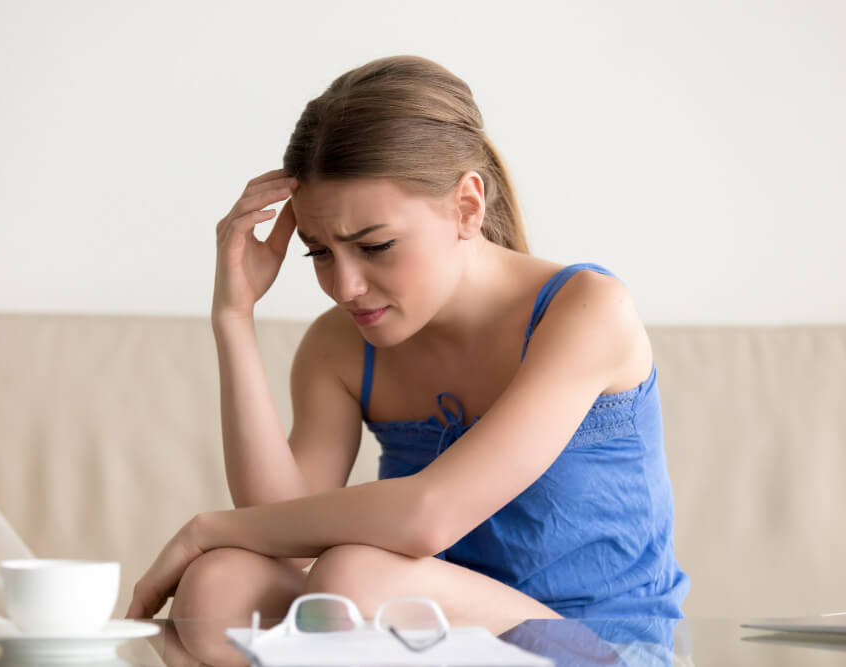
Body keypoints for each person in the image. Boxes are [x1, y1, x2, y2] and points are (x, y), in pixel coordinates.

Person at [126, 54, 690, 664]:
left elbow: (430, 517)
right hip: (425, 643)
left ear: (466, 207)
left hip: (602, 653)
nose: (345, 287)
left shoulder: (587, 310)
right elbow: (281, 532)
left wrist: (207, 528)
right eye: (319, 253)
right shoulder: (342, 345)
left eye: (375, 246)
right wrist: (233, 317)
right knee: (218, 590)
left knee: (354, 581)